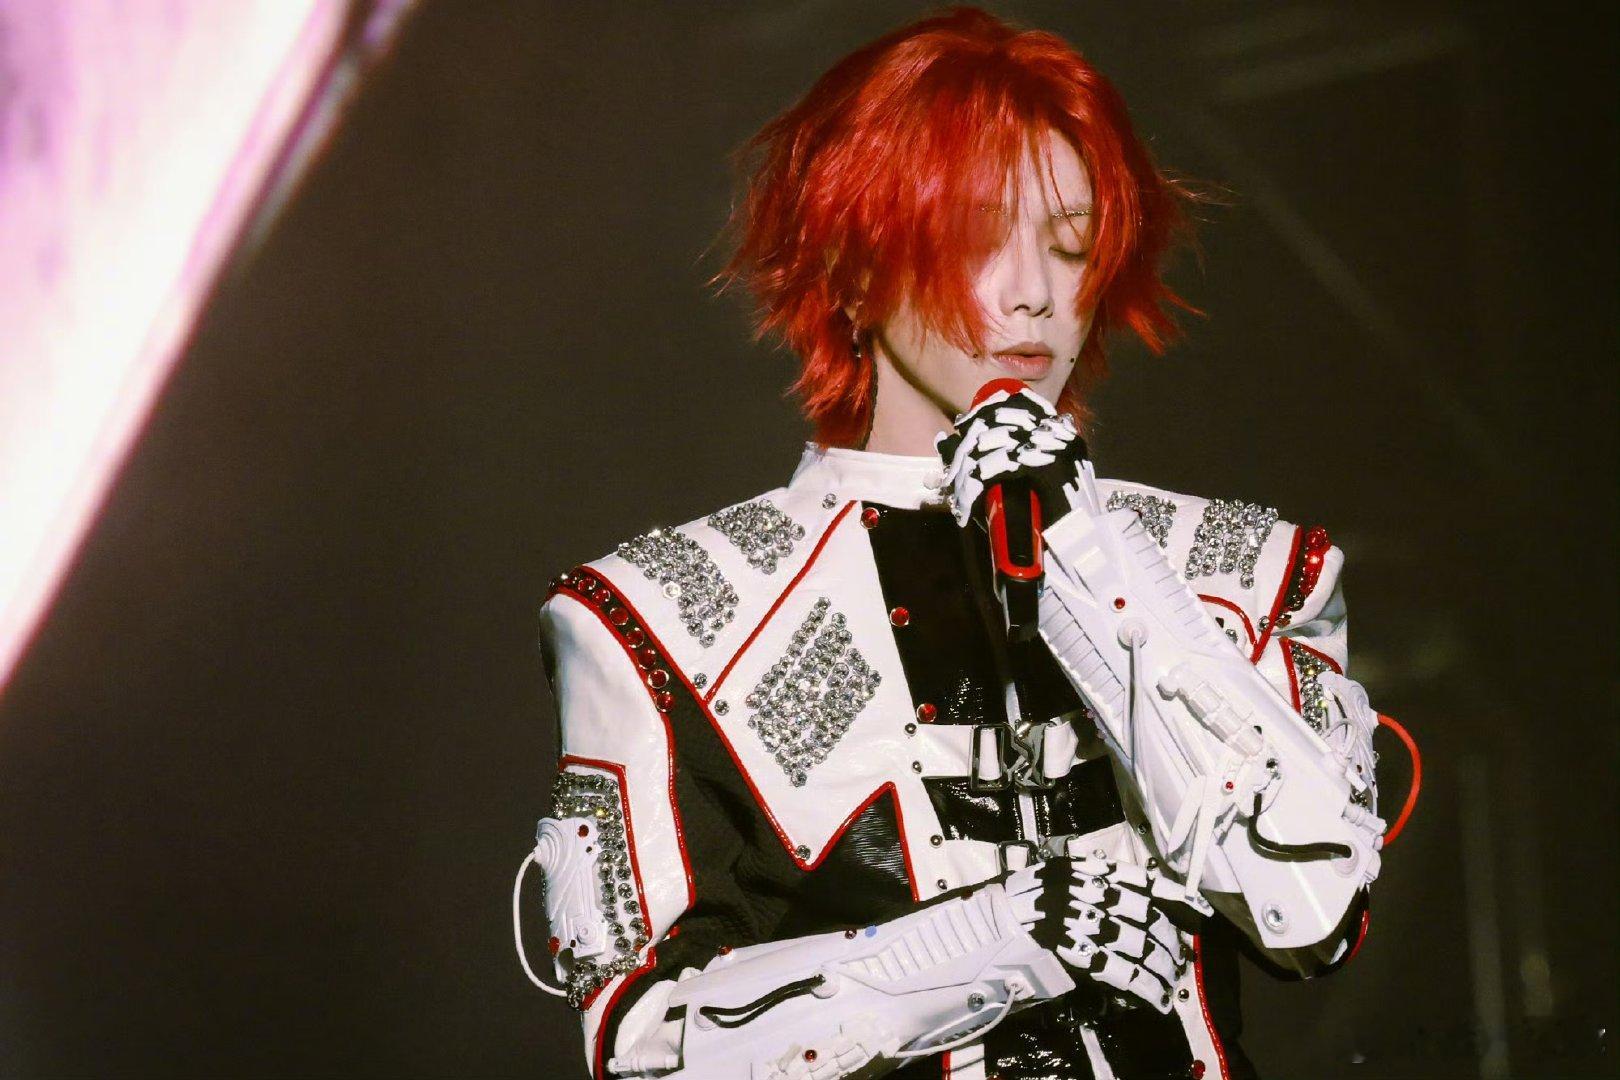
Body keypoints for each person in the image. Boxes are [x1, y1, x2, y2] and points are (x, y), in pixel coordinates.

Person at [515, 9, 1388, 1078]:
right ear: (853, 270)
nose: (1035, 294)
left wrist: (1088, 555)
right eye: (978, 239)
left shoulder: (1238, 568)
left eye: (1071, 244)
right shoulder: (665, 612)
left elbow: (1313, 911)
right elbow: (644, 1049)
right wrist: (984, 944)